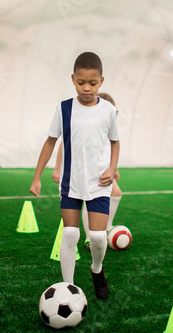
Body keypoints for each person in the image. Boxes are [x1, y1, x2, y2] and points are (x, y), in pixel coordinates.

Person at [29, 52, 120, 299]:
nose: (87, 88)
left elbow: (115, 142)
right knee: (70, 233)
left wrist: (112, 168)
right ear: (73, 79)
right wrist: (37, 176)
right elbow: (50, 142)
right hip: (71, 183)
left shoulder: (109, 110)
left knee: (99, 238)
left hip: (99, 183)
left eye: (92, 83)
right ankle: (68, 287)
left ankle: (97, 269)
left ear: (101, 81)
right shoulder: (64, 108)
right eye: (81, 82)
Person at [52, 92, 123, 250]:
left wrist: (113, 167)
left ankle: (105, 228)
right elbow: (63, 144)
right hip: (80, 169)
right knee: (89, 198)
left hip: (100, 168)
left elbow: (109, 145)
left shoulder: (107, 120)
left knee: (116, 193)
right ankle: (90, 236)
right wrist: (57, 168)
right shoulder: (82, 120)